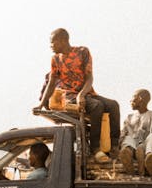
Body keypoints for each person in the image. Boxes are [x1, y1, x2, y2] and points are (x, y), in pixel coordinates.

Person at [34, 28, 120, 164]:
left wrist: (82, 94)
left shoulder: (82, 52)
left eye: (52, 43)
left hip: (86, 92)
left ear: (63, 40)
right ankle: (95, 149)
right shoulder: (55, 59)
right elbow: (51, 83)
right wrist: (40, 104)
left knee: (113, 105)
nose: (51, 46)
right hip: (69, 96)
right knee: (97, 107)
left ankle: (115, 146)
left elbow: (89, 77)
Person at [119, 89, 152, 176]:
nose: (130, 100)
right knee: (128, 138)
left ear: (140, 99)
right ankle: (127, 154)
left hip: (145, 144)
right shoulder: (129, 117)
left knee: (151, 136)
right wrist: (120, 141)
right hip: (133, 144)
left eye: (133, 98)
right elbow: (123, 132)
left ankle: (150, 157)